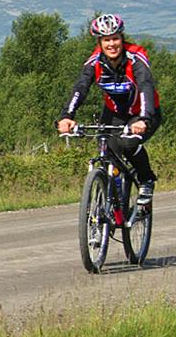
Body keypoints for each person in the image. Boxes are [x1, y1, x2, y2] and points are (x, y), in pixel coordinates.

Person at [58, 14, 162, 205]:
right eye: (106, 40)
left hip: (143, 113)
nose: (112, 44)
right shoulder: (95, 62)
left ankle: (146, 179)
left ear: (122, 38)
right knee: (107, 153)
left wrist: (144, 119)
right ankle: (114, 200)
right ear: (100, 42)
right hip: (114, 114)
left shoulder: (135, 57)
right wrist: (67, 116)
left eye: (115, 38)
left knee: (129, 144)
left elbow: (146, 86)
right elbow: (81, 87)